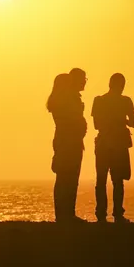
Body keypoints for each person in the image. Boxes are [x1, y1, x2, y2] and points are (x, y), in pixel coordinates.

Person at [91, 73, 134, 223]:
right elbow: (133, 123)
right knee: (116, 181)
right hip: (116, 144)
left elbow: (96, 124)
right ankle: (116, 214)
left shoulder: (99, 101)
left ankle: (102, 214)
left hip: (105, 143)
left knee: (102, 180)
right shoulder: (125, 101)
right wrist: (121, 120)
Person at [46, 68, 88, 223]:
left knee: (67, 177)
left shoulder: (62, 101)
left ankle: (65, 213)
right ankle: (65, 214)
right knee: (67, 177)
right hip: (68, 141)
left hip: (69, 140)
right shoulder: (65, 101)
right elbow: (72, 120)